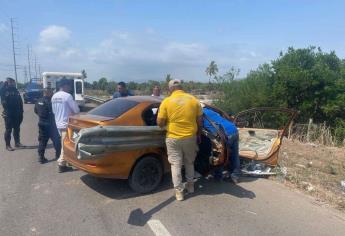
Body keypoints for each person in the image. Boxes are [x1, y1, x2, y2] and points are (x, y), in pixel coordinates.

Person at [157, 79, 203, 201]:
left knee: (175, 165)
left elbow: (160, 123)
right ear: (182, 88)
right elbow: (200, 121)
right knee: (189, 162)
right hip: (190, 137)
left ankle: (179, 193)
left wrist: (166, 124)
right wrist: (198, 134)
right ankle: (191, 186)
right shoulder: (193, 100)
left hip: (173, 138)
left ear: (170, 89)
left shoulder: (166, 101)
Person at [203, 107, 241, 183]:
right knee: (234, 155)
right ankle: (235, 177)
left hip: (224, 134)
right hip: (234, 129)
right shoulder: (210, 110)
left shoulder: (198, 114)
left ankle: (218, 177)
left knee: (219, 155)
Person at [52, 78, 80, 173]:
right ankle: (62, 164)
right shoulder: (68, 96)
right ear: (65, 86)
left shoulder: (54, 96)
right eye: (69, 86)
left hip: (58, 123)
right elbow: (76, 110)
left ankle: (68, 161)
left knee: (64, 143)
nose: (70, 88)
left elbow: (53, 111)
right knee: (67, 145)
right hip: (67, 124)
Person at [34, 88, 61, 164]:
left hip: (41, 123)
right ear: (48, 93)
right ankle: (58, 155)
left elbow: (36, 111)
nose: (53, 93)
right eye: (51, 92)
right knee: (57, 141)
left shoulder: (38, 100)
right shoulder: (50, 101)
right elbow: (54, 112)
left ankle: (41, 157)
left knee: (42, 141)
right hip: (51, 125)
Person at [0, 77, 25, 151]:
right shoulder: (4, 90)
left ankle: (17, 143)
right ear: (8, 83)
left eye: (14, 82)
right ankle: (8, 145)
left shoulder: (16, 90)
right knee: (8, 130)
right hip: (9, 113)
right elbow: (4, 102)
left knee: (17, 128)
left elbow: (20, 101)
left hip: (17, 113)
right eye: (13, 82)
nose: (14, 84)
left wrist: (21, 111)